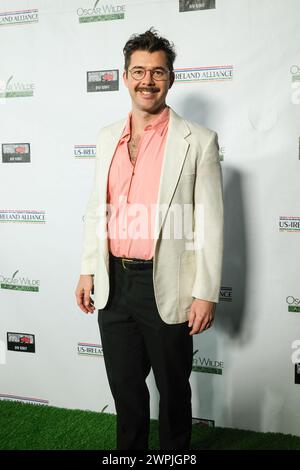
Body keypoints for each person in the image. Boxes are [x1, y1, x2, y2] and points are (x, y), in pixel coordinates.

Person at [75, 28, 224, 450]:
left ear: (171, 78)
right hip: (113, 284)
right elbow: (95, 208)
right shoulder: (107, 137)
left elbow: (210, 222)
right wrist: (88, 268)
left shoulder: (199, 141)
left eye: (158, 72)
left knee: (174, 392)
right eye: (138, 71)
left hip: (168, 284)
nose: (147, 80)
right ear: (124, 77)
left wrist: (206, 292)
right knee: (126, 392)